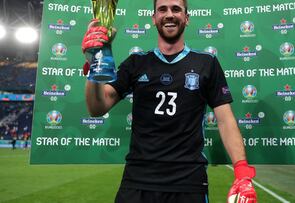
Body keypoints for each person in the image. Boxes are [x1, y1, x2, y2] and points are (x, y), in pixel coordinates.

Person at [82, 0, 257, 202]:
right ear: (154, 18)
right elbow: (96, 107)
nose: (169, 14)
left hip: (188, 184)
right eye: (162, 9)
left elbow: (225, 120)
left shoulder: (207, 63)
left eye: (176, 9)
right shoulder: (136, 63)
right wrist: (94, 60)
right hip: (138, 181)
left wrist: (242, 172)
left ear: (187, 18)